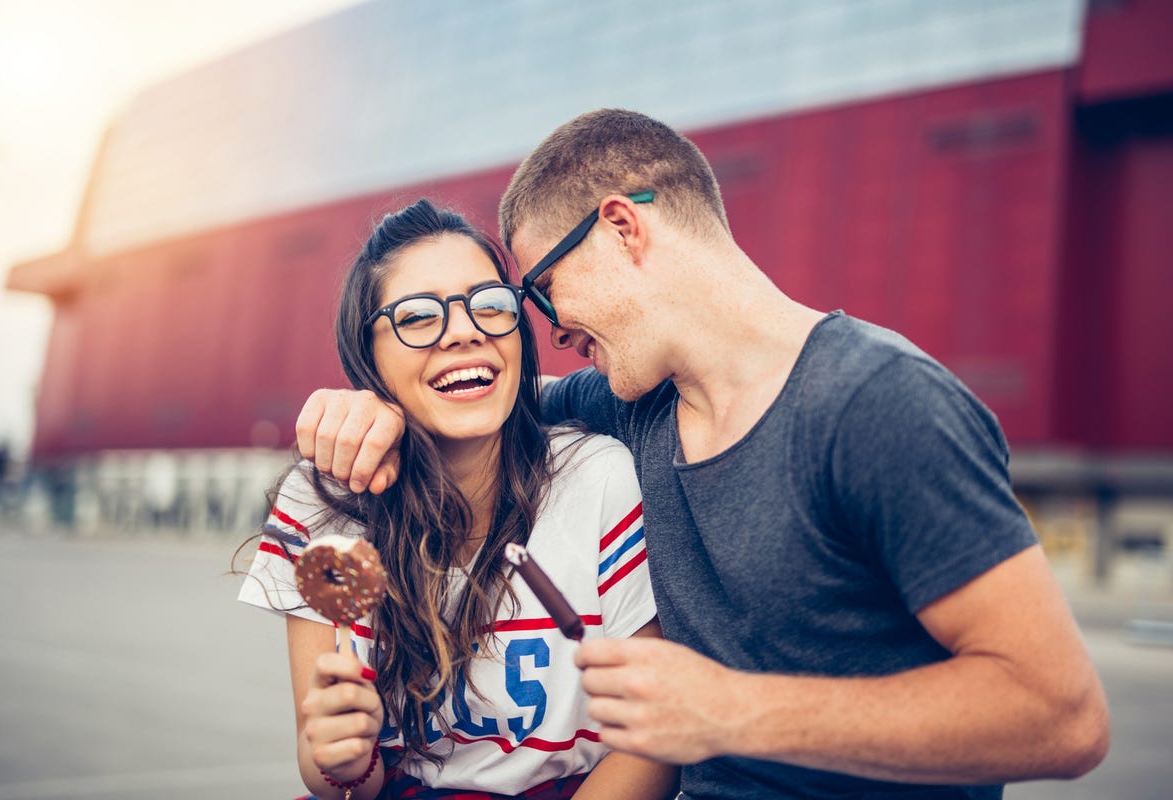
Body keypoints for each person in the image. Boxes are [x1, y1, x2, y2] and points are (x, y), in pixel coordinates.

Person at [292, 110, 1110, 800]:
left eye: (540, 287)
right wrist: (363, 409)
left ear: (621, 226)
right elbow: (478, 404)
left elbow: (1062, 717)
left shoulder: (879, 405)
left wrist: (732, 711)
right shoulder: (630, 402)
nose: (551, 329)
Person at [238, 199, 678, 800]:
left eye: (491, 304)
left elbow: (648, 744)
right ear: (367, 357)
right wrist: (345, 758)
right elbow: (330, 777)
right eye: (418, 317)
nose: (465, 329)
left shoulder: (597, 478)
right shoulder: (325, 505)